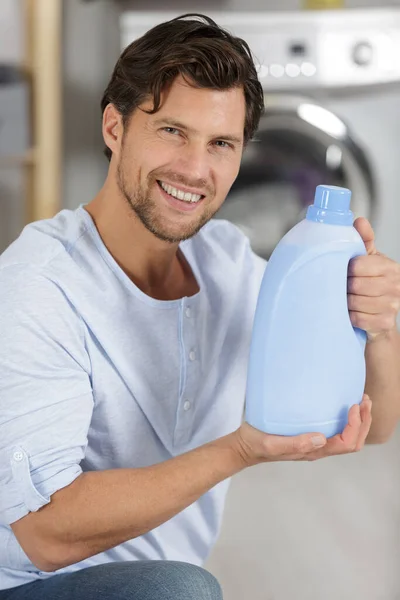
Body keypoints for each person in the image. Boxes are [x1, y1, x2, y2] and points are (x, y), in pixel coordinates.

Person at [0, 13, 399, 600]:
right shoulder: (40, 285)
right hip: (29, 583)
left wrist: (379, 327)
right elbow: (42, 533)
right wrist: (240, 449)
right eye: (171, 131)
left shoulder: (229, 261)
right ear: (115, 126)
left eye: (220, 144)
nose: (194, 169)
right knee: (180, 591)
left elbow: (375, 426)